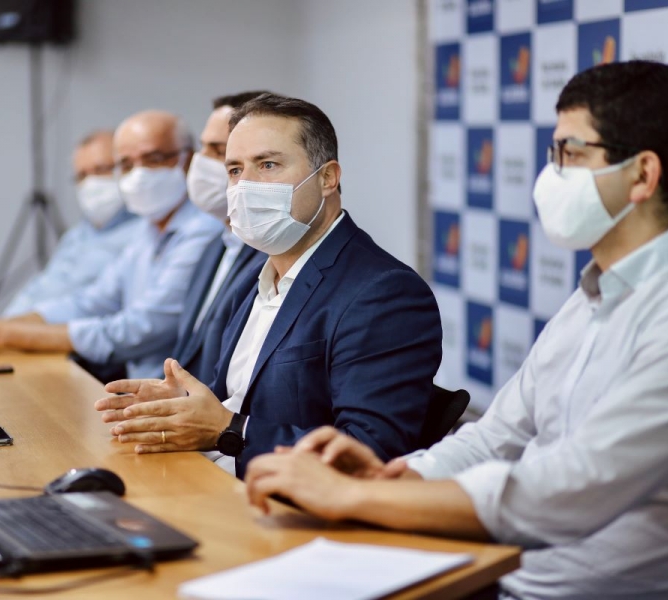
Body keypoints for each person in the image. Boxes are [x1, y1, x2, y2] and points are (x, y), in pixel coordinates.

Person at [244, 62, 668, 600]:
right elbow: (495, 437)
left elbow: (570, 488)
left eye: (570, 155)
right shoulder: (589, 297)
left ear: (642, 175)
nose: (550, 175)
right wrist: (392, 479)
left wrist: (350, 498)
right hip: (502, 578)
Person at [95, 93, 442, 478]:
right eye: (234, 170)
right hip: (213, 485)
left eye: (268, 164)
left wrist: (230, 430)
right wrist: (179, 406)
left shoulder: (384, 293)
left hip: (287, 514)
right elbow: (236, 395)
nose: (245, 186)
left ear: (328, 178)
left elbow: (371, 452)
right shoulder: (252, 276)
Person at [0, 110, 223, 380]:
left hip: (174, 399)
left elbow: (140, 330)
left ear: (189, 160)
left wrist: (2, 334)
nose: (139, 174)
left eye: (154, 159)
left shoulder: (204, 230)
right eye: (126, 165)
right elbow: (93, 301)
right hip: (138, 390)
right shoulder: (147, 231)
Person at [175, 91, 271, 382]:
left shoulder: (272, 256)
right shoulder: (213, 249)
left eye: (219, 153)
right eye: (203, 148)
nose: (200, 162)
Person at [1, 130, 139, 317]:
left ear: (126, 168)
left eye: (101, 170)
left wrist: (16, 330)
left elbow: (93, 305)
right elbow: (43, 286)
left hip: (69, 338)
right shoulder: (77, 235)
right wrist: (2, 324)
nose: (91, 183)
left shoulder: (144, 234)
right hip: (30, 334)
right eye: (82, 176)